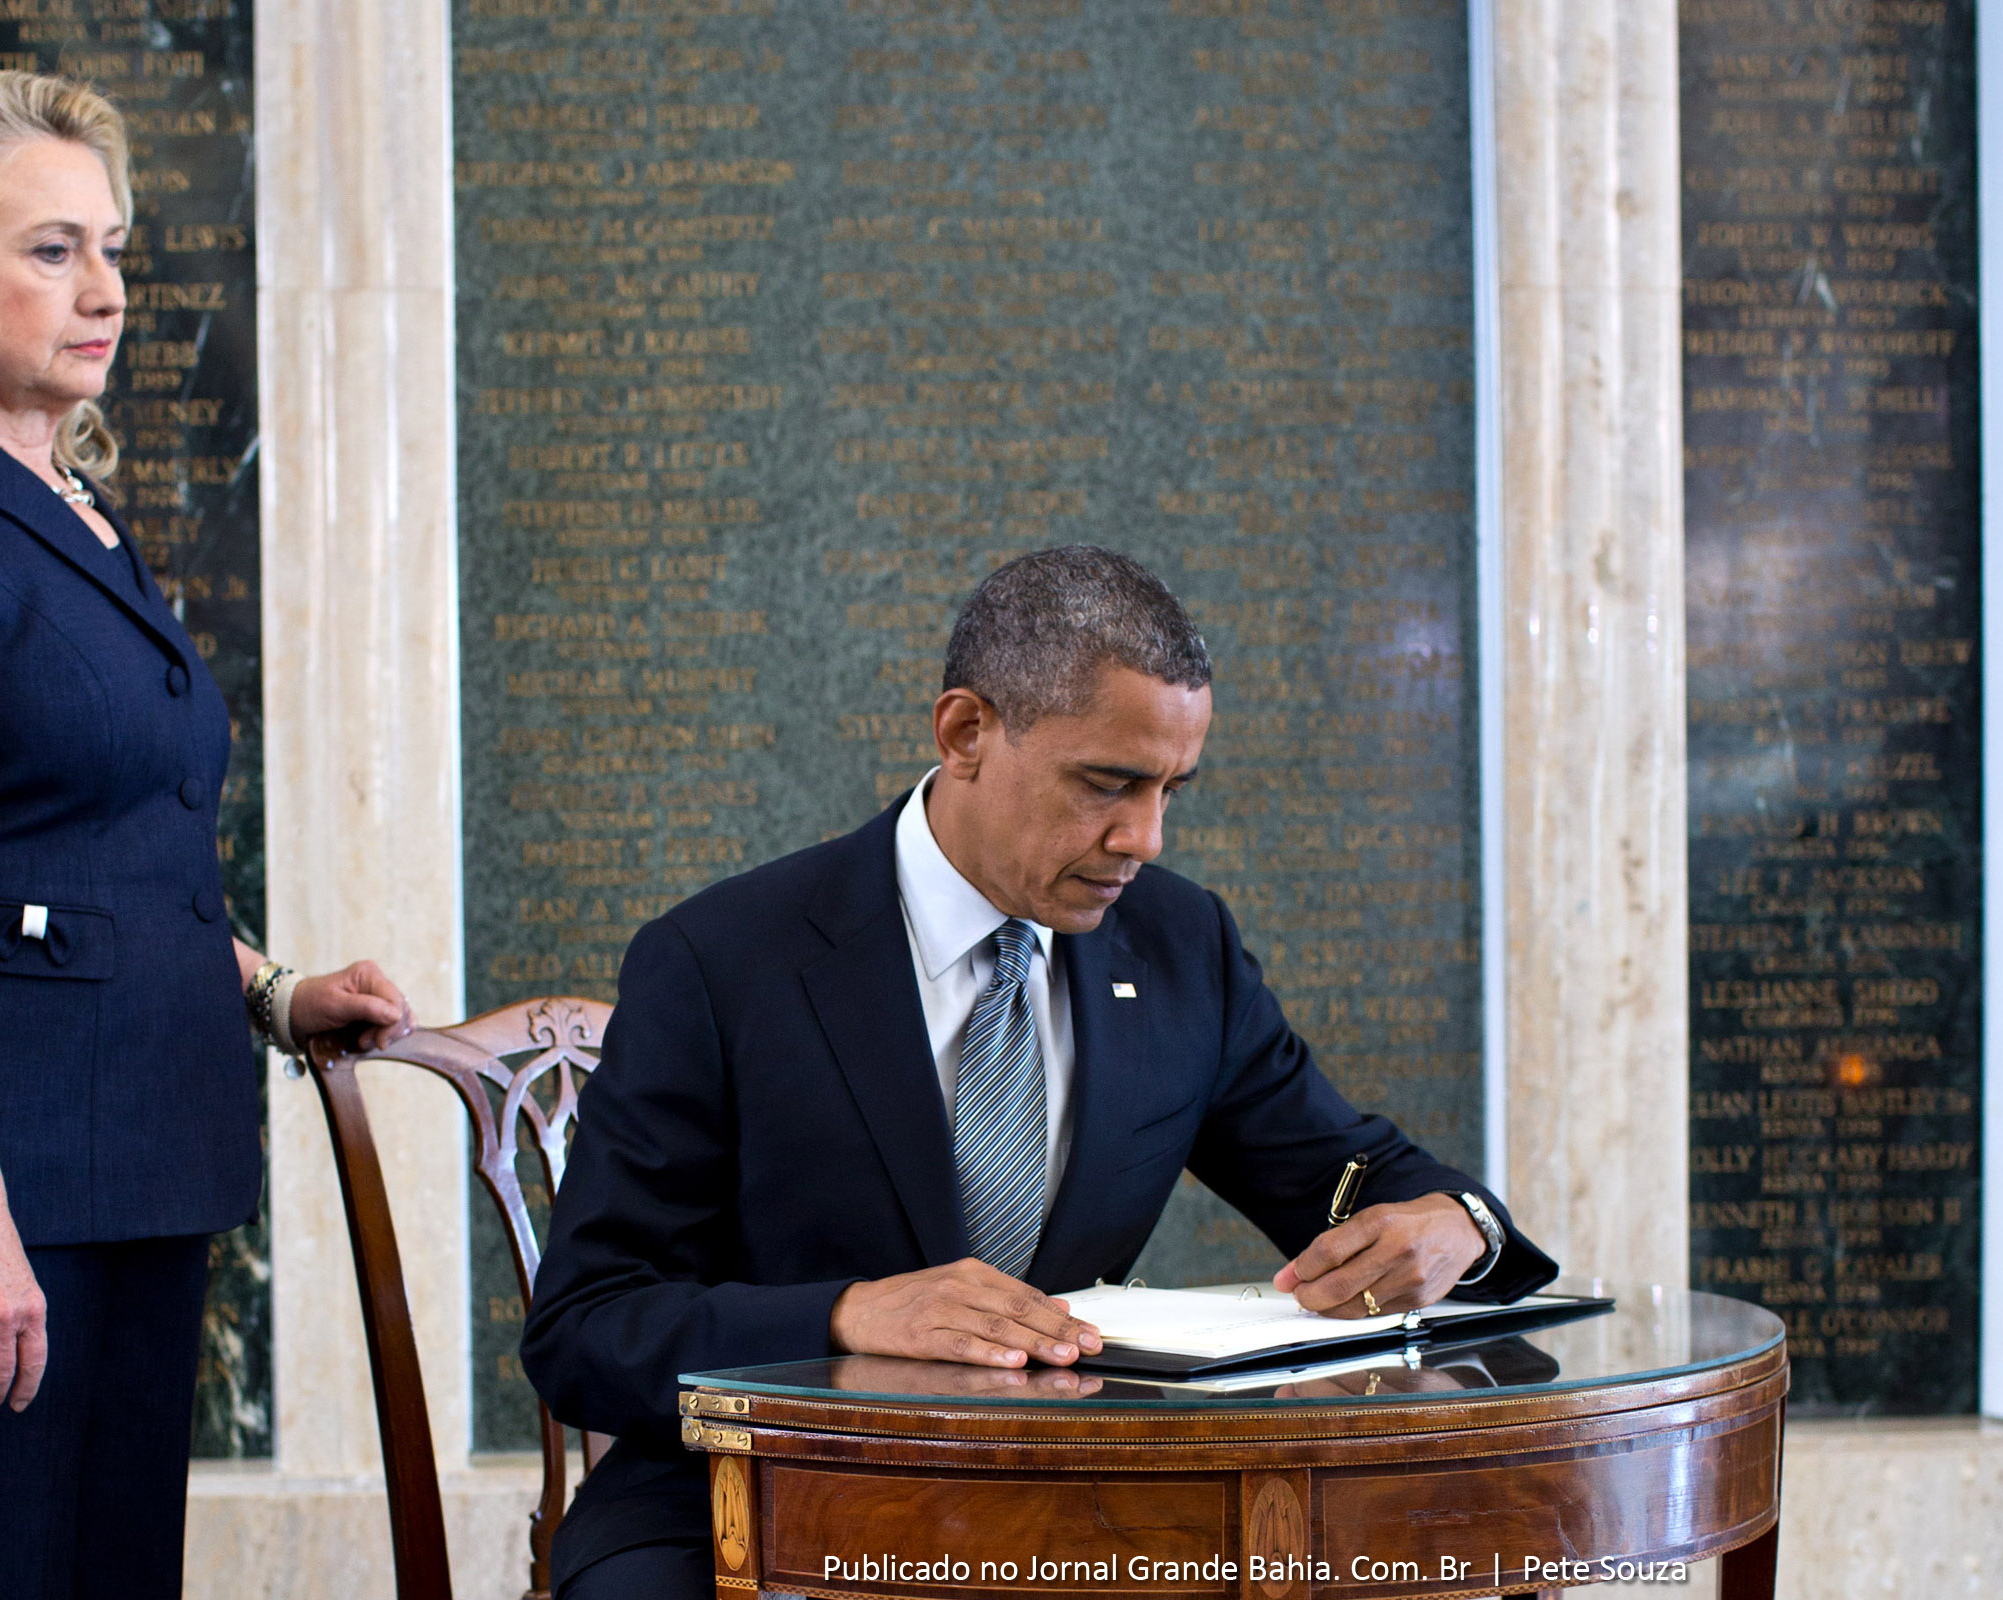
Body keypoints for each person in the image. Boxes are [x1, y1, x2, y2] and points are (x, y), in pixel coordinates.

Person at [521, 546, 1557, 1599]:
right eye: (1107, 783)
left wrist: (1458, 1224)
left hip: (1076, 1505)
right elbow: (587, 1327)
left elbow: (1352, 1173)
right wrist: (846, 1313)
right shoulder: (721, 959)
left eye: (1169, 789)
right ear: (966, 732)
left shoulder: (1180, 946)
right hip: (744, 1504)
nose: (1144, 837)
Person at [0, 72, 412, 1598]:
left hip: (129, 1173)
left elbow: (100, 854)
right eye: (50, 250)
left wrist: (268, 993)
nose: (106, 290)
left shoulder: (76, 510)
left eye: (112, 248)